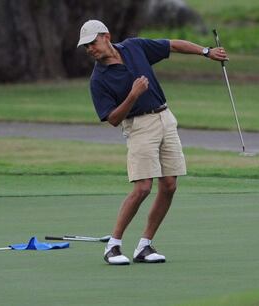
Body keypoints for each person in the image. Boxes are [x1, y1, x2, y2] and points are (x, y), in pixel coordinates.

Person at [77, 20, 228, 265]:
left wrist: (206, 52)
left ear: (106, 36)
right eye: (86, 47)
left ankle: (144, 246)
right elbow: (113, 118)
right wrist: (133, 95)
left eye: (92, 43)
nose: (90, 49)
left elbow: (172, 45)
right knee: (143, 188)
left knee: (169, 185)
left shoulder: (134, 47)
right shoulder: (99, 79)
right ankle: (113, 247)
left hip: (165, 118)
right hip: (138, 127)